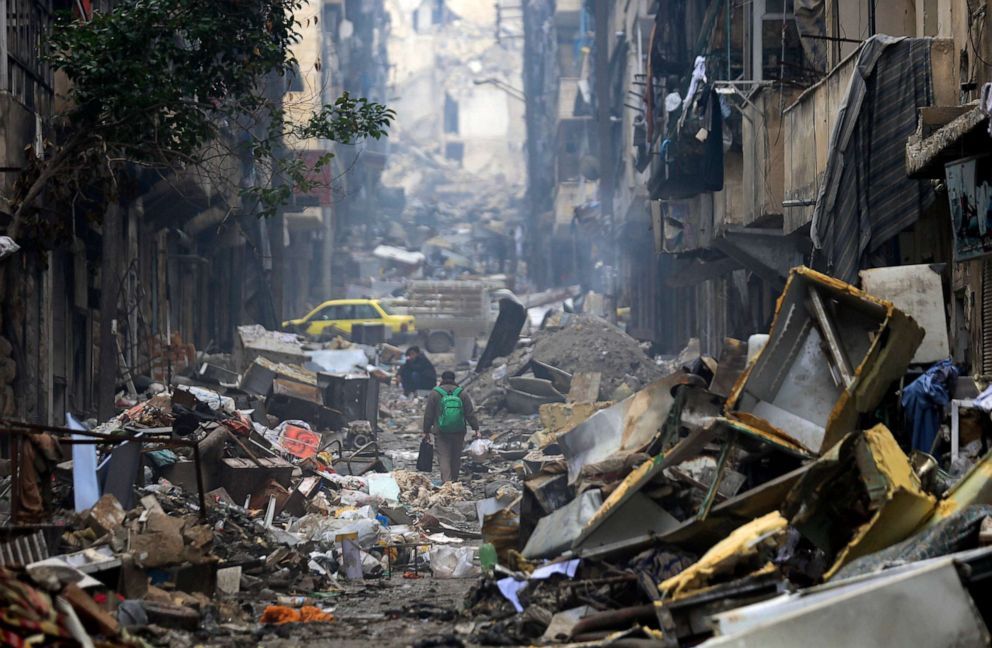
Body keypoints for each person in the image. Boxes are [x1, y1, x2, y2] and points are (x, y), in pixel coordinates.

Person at [422, 371, 480, 483]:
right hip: (459, 430)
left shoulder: (435, 393)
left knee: (444, 456)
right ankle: (454, 480)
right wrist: (476, 428)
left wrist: (426, 431)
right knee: (455, 456)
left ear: (442, 379)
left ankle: (447, 482)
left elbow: (428, 414)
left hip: (441, 431)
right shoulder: (461, 393)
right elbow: (469, 413)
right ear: (454, 379)